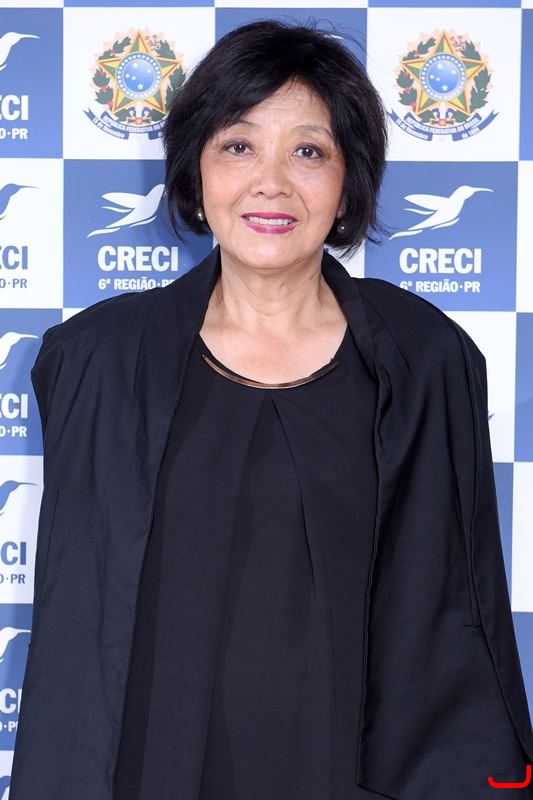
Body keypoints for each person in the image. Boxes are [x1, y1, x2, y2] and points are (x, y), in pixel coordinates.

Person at [9, 20, 533, 800]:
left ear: (349, 180)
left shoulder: (426, 359)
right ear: (194, 172)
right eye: (238, 146)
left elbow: (458, 613)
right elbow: (75, 629)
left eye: (309, 152)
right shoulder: (95, 358)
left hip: (353, 770)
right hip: (146, 770)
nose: (272, 183)